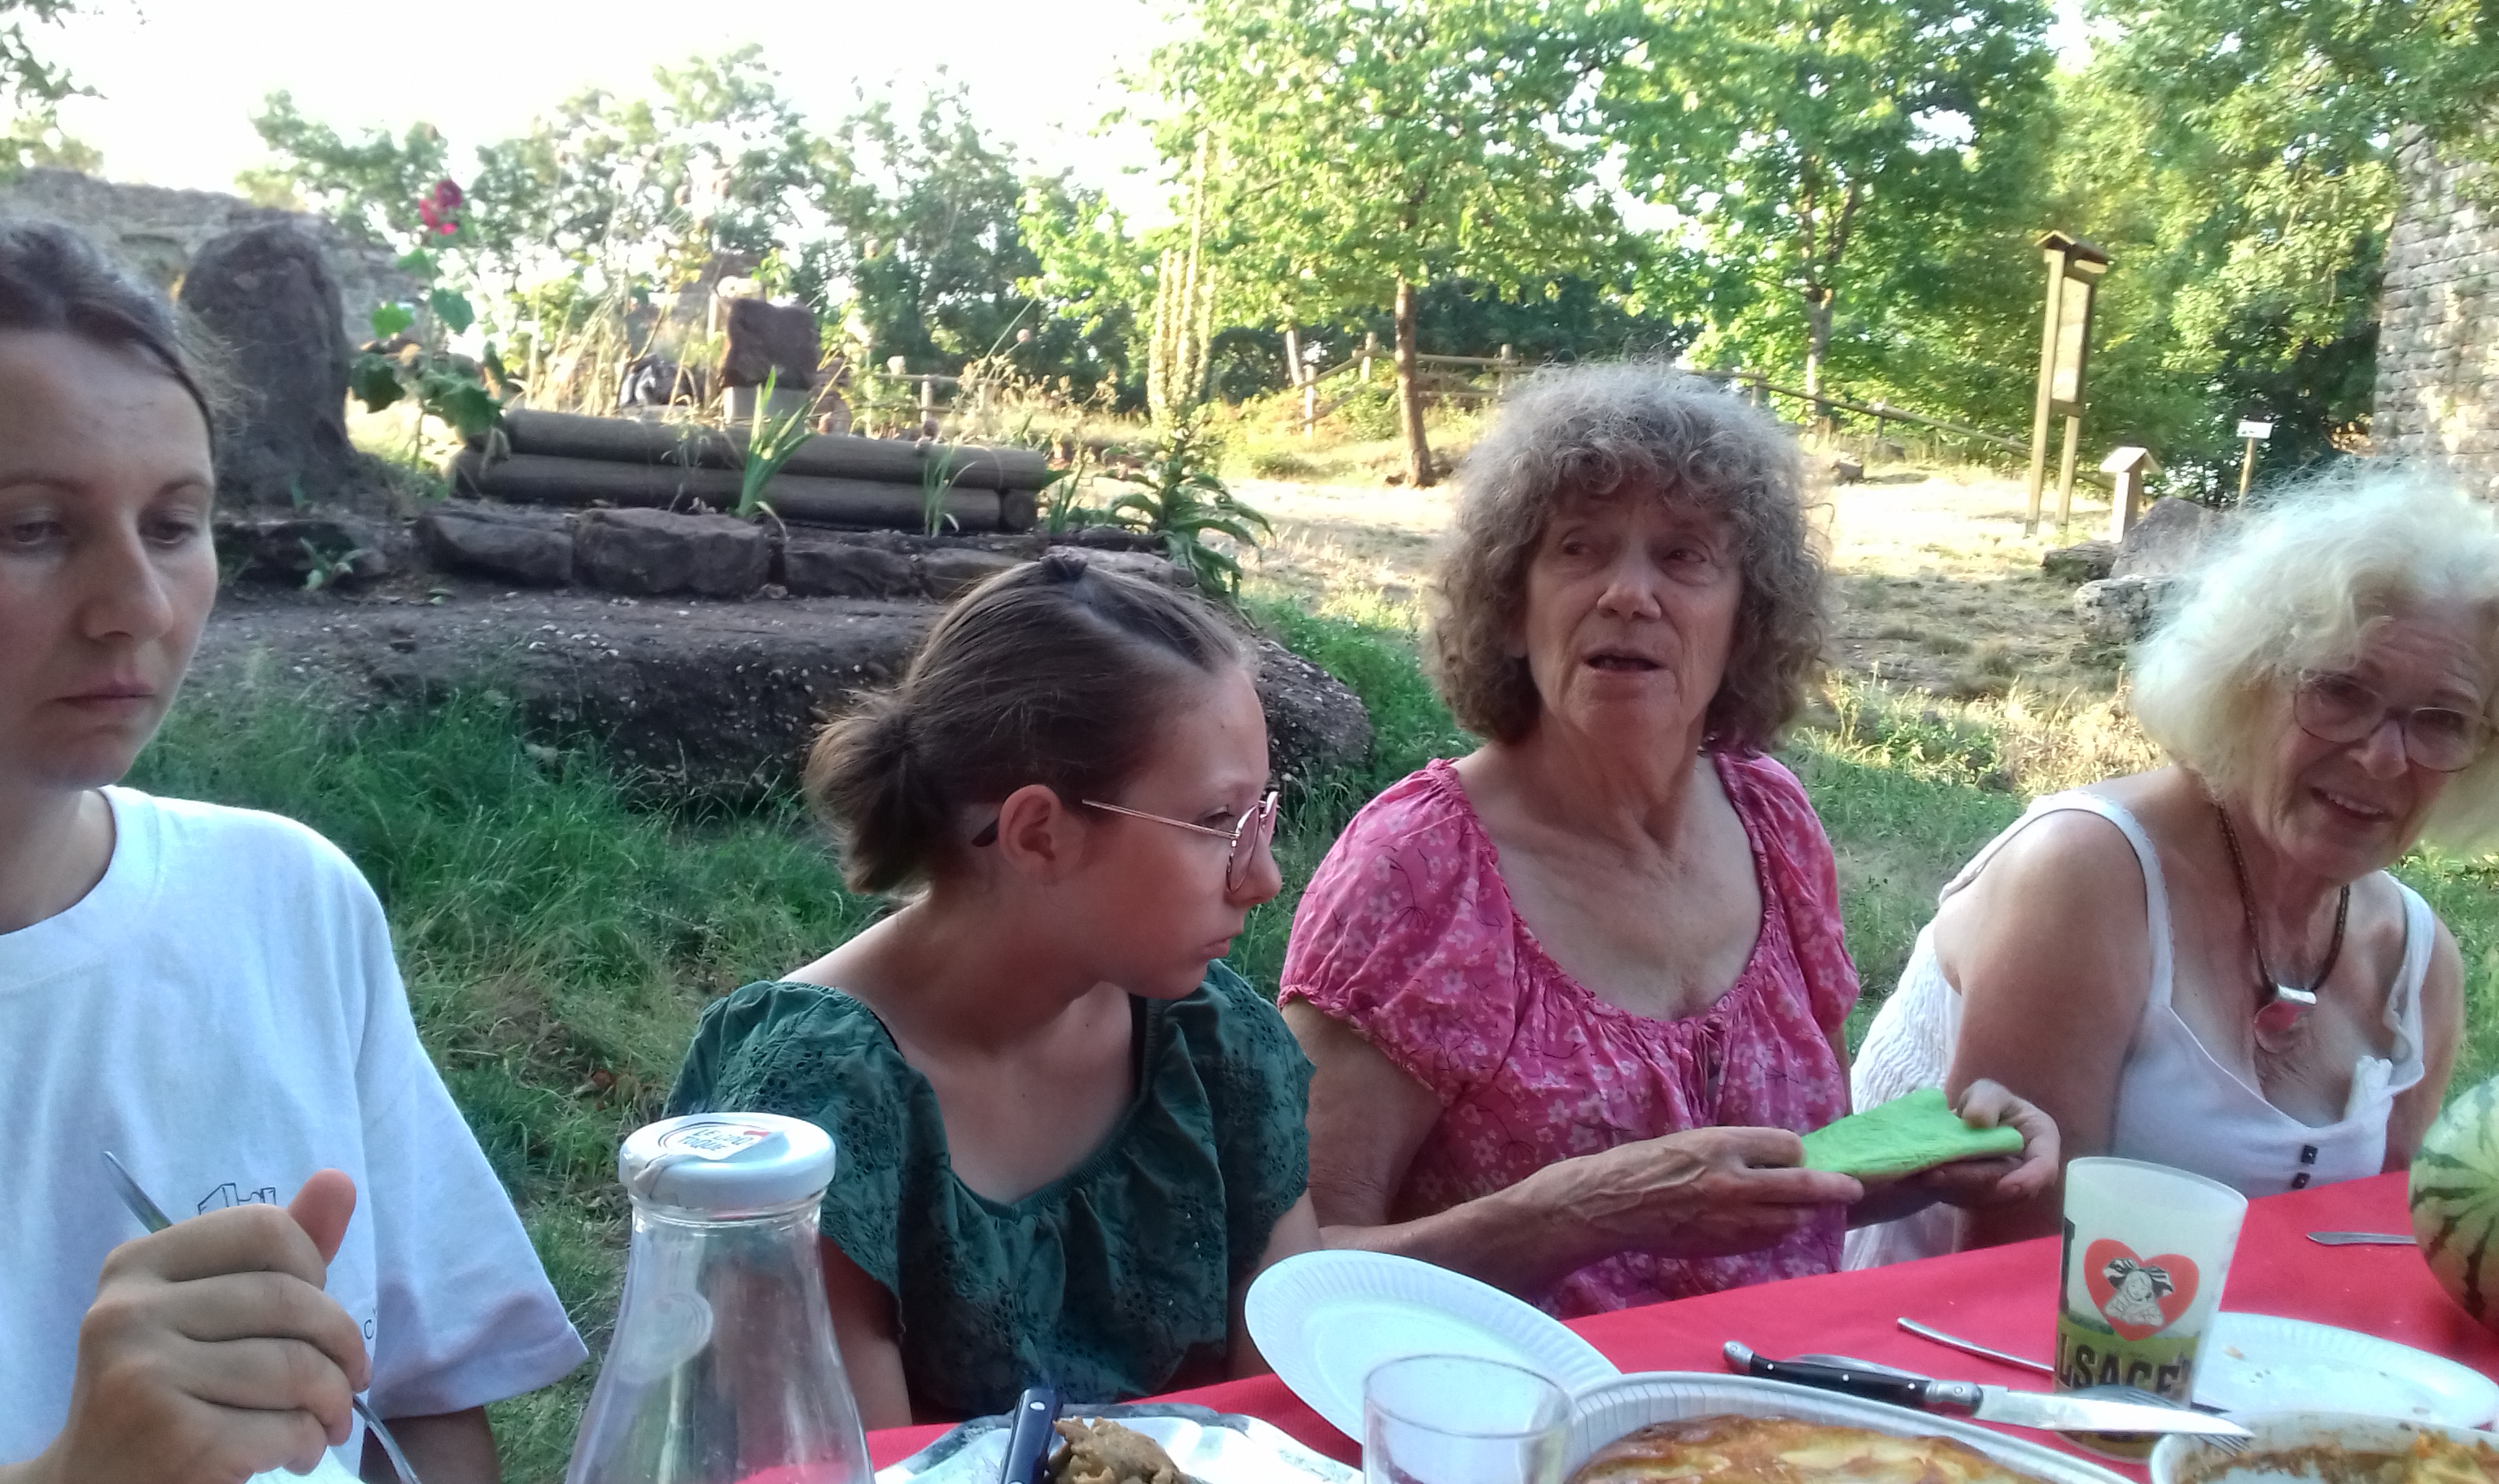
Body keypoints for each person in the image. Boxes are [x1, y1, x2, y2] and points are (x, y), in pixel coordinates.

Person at [0, 206, 584, 1484]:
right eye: (32, 528)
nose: (136, 605)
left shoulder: (285, 901)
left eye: (174, 524)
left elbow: (424, 1407)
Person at [1278, 364, 2056, 1317]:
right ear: (1512, 607)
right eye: (1580, 548)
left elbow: (1785, 1185)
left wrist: (1937, 1157)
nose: (1628, 594)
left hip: (1776, 1388)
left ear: (1746, 622)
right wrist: (1579, 1214)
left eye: (1684, 557)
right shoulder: (1415, 870)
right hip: (1518, 1399)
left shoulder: (1773, 820)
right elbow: (1297, 1280)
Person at [665, 553, 1318, 1426]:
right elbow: (865, 1466)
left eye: (1258, 817)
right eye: (1214, 823)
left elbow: (1284, 1423)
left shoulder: (1216, 1045)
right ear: (1039, 833)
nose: (1264, 878)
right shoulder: (816, 1102)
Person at [1848, 474, 2483, 1267]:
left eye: (2443, 720)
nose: (2384, 758)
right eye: (2341, 691)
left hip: (2236, 1344)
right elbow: (2007, 1273)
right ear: (2247, 679)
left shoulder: (2416, 965)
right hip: (1935, 1340)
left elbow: (2377, 1259)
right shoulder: (2083, 875)